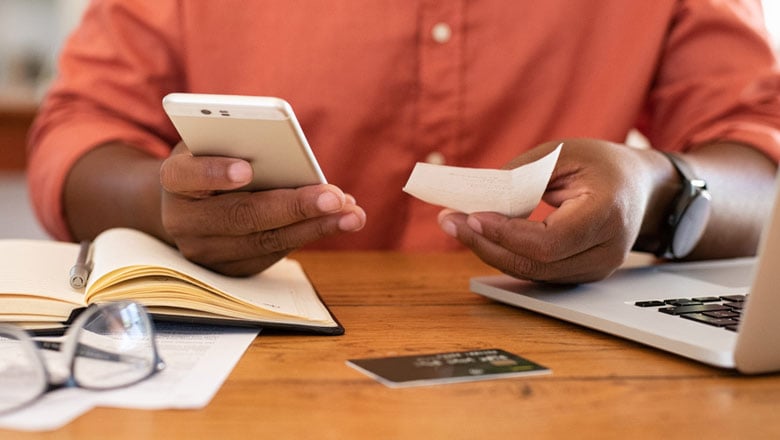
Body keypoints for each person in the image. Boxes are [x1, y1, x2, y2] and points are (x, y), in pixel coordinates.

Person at [27, 1, 780, 283]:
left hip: (569, 374)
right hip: (252, 374)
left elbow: (764, 159)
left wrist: (657, 191)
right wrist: (170, 208)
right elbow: (78, 136)